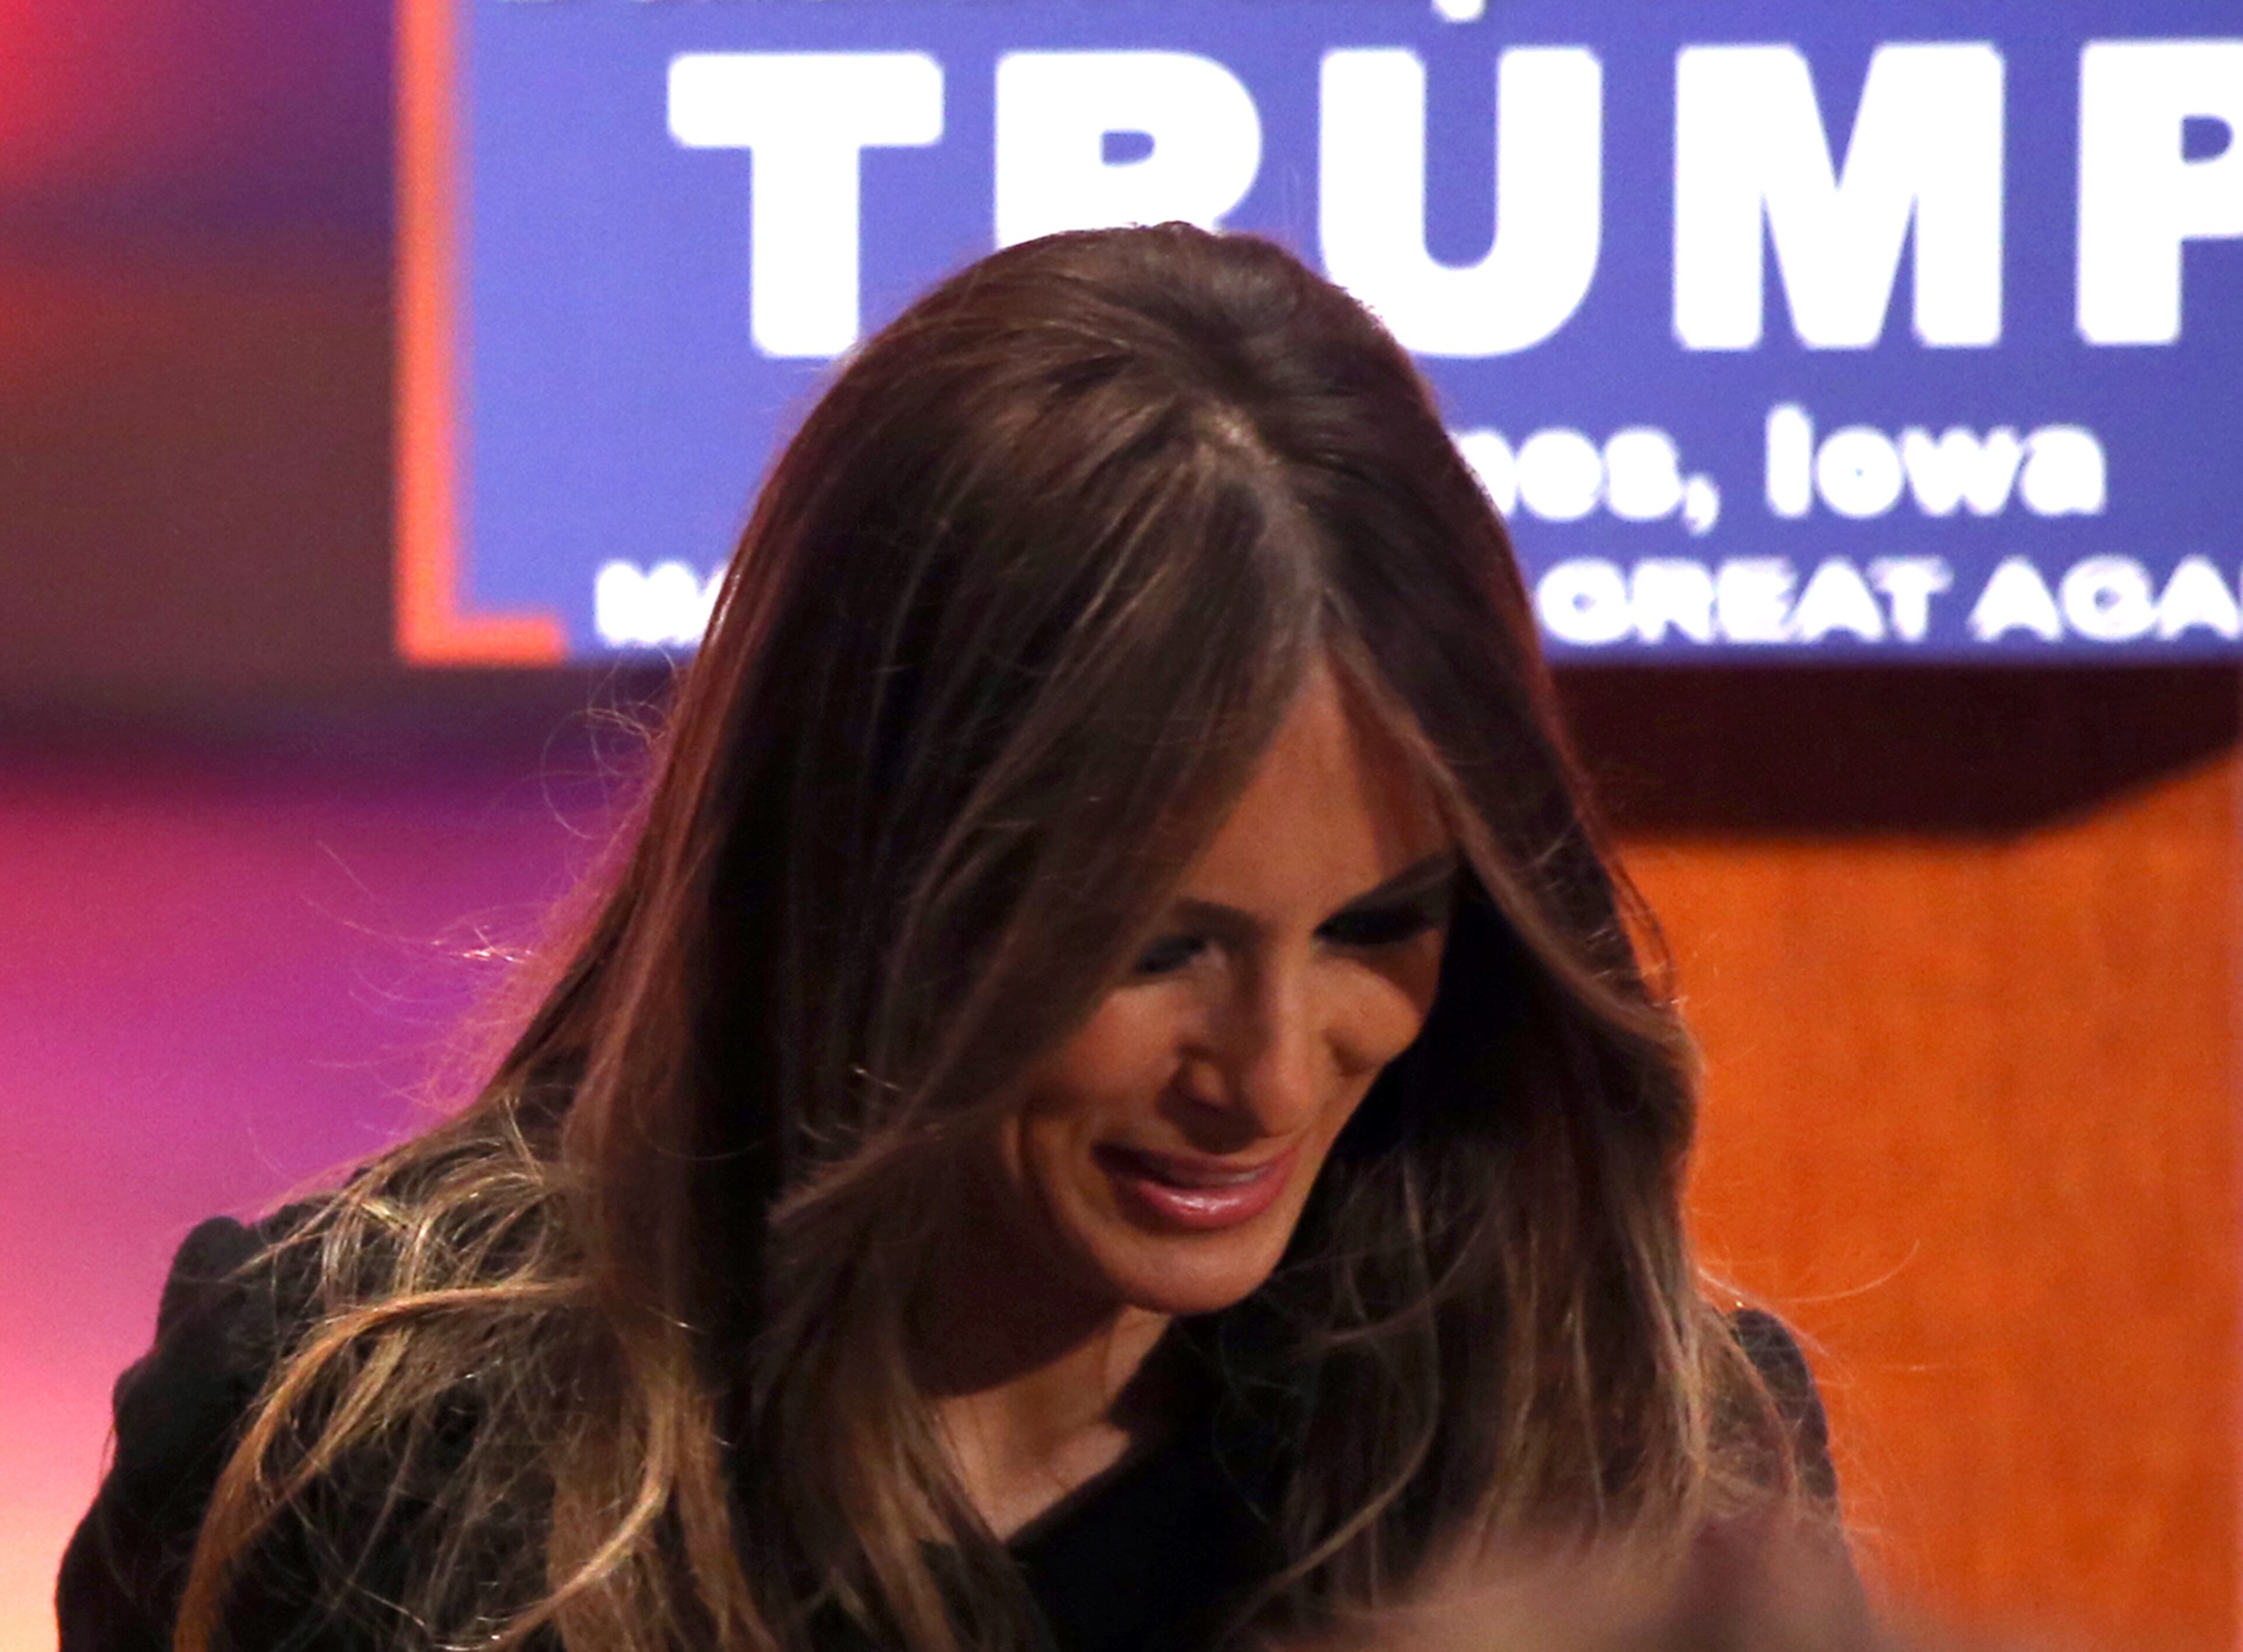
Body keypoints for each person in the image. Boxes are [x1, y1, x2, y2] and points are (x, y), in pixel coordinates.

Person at [58, 224, 1843, 1652]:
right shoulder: (348, 1440)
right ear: (862, 871)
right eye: (1152, 945)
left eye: (1380, 925)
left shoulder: (1640, 1450)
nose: (1269, 1074)